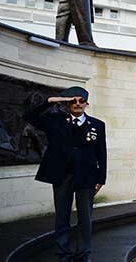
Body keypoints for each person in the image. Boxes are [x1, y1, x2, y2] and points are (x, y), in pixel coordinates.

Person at [23, 86, 106, 262]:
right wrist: (50, 101)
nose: (77, 104)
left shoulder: (98, 125)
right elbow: (28, 116)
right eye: (73, 101)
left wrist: (101, 178)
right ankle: (64, 252)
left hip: (87, 176)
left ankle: (84, 253)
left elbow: (102, 153)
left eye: (81, 101)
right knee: (62, 216)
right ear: (67, 104)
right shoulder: (55, 120)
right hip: (62, 175)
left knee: (85, 218)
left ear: (86, 104)